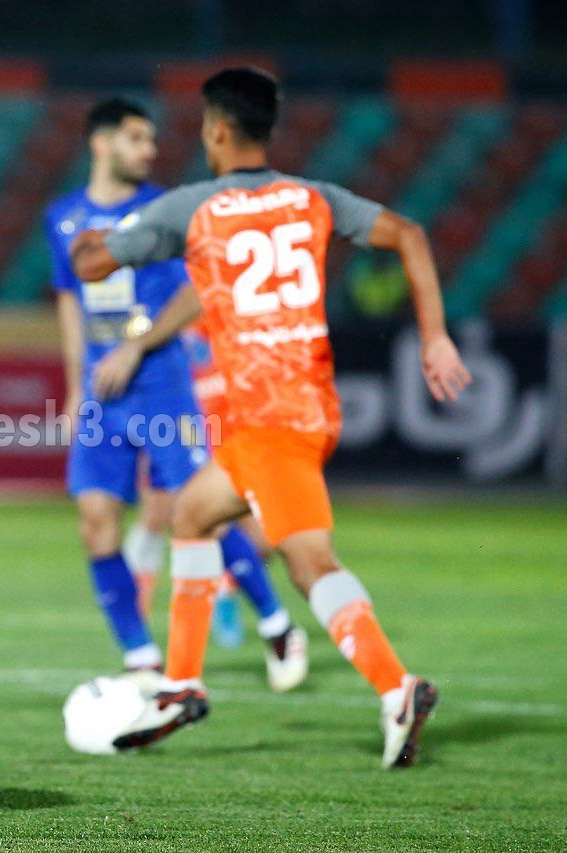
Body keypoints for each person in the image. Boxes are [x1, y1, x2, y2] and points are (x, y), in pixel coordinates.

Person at [70, 67, 471, 767]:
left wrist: (95, 237)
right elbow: (408, 233)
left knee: (310, 564)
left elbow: (92, 263)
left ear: (218, 131)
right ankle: (182, 685)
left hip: (268, 420)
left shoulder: (192, 207)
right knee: (192, 514)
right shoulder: (313, 198)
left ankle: (396, 687)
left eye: (204, 127)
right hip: (307, 406)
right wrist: (435, 336)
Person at [47, 97, 304, 688]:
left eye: (151, 140)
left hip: (160, 386)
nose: (150, 150)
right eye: (137, 139)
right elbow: (69, 302)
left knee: (200, 511)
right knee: (95, 521)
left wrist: (136, 346)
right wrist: (74, 387)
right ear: (102, 143)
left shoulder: (165, 211)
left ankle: (275, 622)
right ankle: (141, 657)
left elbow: (198, 292)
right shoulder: (62, 217)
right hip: (101, 394)